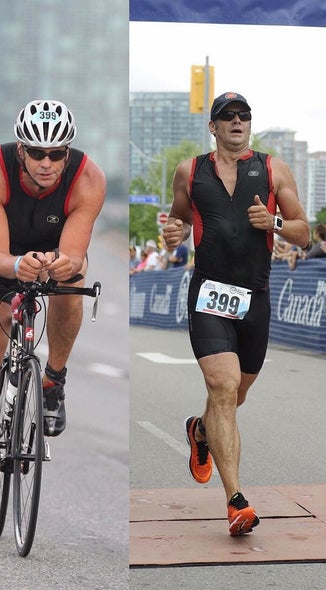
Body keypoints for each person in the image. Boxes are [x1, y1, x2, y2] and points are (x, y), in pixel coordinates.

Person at [163, 91, 310, 537]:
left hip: (254, 298)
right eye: (227, 116)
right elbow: (178, 219)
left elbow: (304, 232)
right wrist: (173, 233)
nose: (236, 121)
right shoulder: (190, 171)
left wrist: (275, 223)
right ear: (213, 127)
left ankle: (200, 432)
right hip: (209, 293)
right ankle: (236, 501)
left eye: (243, 115)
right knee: (223, 388)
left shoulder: (273, 169)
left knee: (237, 395)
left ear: (249, 123)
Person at [0, 99, 106, 511]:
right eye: (37, 153)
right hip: (0, 254)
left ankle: (53, 380)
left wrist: (61, 264)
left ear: (67, 153)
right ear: (21, 150)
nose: (46, 163)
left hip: (54, 249)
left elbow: (73, 254)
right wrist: (18, 265)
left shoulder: (89, 178)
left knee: (72, 280)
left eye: (56, 154)